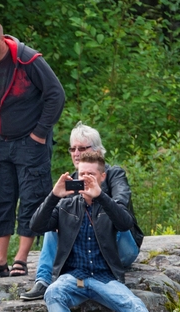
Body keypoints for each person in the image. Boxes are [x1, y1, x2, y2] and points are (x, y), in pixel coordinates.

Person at [30, 150, 170, 312]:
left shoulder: (109, 205)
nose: (84, 178)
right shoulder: (66, 206)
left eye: (90, 175)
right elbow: (36, 226)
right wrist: (55, 195)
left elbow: (126, 223)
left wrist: (100, 196)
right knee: (53, 293)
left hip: (103, 278)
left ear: (102, 177)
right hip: (73, 276)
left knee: (132, 303)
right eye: (81, 173)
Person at [0, 20, 65, 279]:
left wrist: (40, 133)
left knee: (32, 196)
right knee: (1, 197)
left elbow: (56, 94)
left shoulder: (27, 59)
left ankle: (21, 259)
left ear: (1, 40)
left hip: (32, 139)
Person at [21, 123, 142, 301]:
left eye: (82, 148)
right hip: (86, 254)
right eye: (73, 148)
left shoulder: (114, 174)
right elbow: (40, 223)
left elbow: (123, 217)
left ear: (97, 151)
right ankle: (43, 280)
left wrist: (99, 195)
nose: (76, 153)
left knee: (108, 221)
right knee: (55, 223)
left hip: (120, 246)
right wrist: (54, 196)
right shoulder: (70, 181)